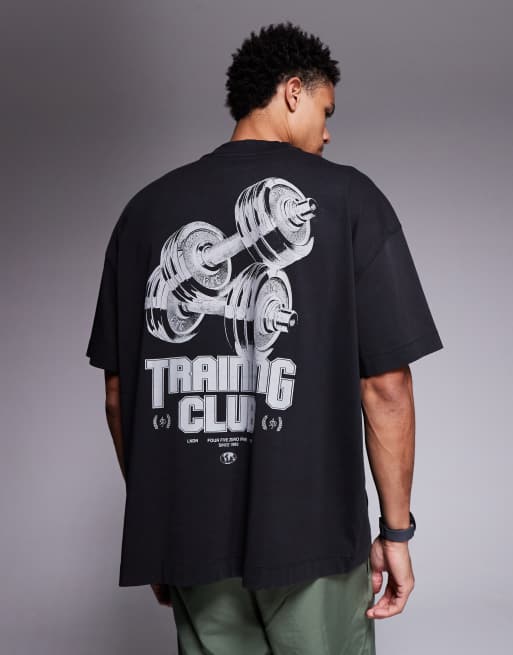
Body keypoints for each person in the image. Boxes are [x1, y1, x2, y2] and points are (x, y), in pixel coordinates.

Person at [85, 21, 443, 655]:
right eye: (326, 112)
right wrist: (397, 532)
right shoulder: (350, 198)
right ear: (293, 91)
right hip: (313, 539)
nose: (327, 133)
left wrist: (160, 531)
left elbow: (120, 394)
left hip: (192, 536)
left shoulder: (142, 213)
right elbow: (387, 388)